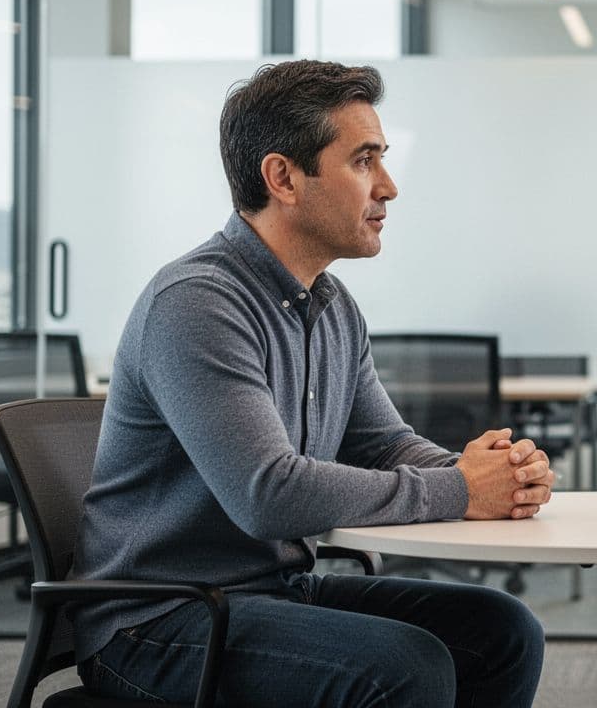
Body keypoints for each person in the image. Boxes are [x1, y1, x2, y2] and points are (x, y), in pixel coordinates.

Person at [71, 60, 553, 708]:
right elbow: (268, 495)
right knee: (403, 668)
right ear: (283, 178)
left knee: (502, 630)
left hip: (267, 590)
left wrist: (492, 475)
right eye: (364, 161)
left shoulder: (329, 305)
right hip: (156, 622)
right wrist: (460, 488)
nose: (388, 187)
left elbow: (383, 444)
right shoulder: (197, 304)